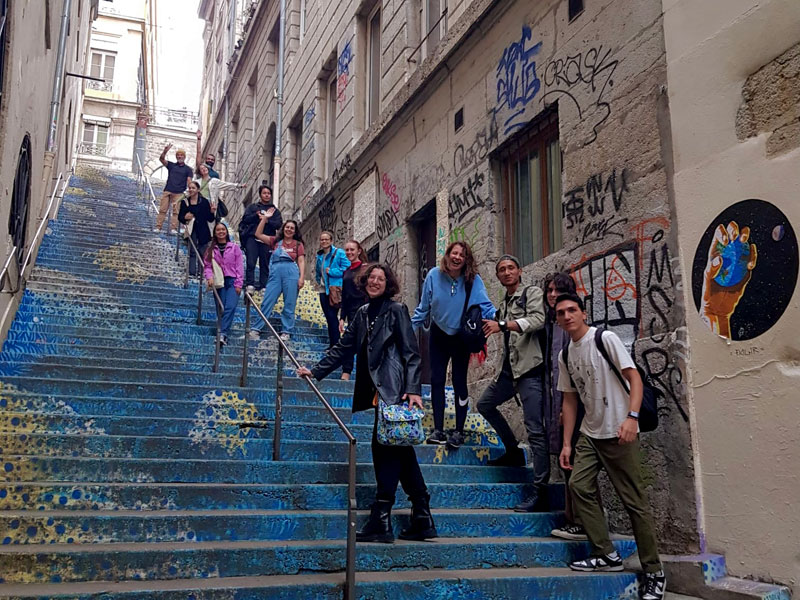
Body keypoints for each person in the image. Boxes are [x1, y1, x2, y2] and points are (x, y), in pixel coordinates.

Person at [296, 264, 436, 544]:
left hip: (394, 388)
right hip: (377, 389)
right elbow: (344, 347)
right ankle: (422, 516)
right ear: (364, 282)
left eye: (381, 278)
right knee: (399, 449)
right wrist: (317, 369)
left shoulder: (396, 311)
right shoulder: (361, 314)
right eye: (371, 277)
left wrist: (413, 389)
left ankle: (381, 518)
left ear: (388, 284)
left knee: (384, 448)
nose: (375, 281)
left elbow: (410, 351)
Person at [556, 293, 665, 600]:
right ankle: (606, 553)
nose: (567, 316)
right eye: (561, 313)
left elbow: (634, 378)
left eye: (572, 310)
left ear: (583, 313)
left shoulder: (605, 339)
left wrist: (632, 418)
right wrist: (567, 444)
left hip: (619, 430)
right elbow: (569, 399)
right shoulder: (565, 354)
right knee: (579, 486)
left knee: (634, 502)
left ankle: (654, 572)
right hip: (591, 433)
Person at [477, 255, 549, 512]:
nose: (506, 273)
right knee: (484, 404)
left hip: (529, 370)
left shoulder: (532, 293)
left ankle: (540, 490)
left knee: (535, 429)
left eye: (510, 268)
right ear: (498, 277)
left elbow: (538, 320)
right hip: (508, 372)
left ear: (519, 271)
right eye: (501, 270)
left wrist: (504, 325)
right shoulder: (503, 303)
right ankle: (513, 451)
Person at [411, 241, 495, 449]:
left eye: (462, 255)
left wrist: (500, 322)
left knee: (459, 382)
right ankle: (438, 429)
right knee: (437, 379)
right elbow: (423, 308)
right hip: (439, 333)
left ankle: (459, 431)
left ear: (467, 260)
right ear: (447, 255)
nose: (457, 257)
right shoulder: (433, 275)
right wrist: (407, 330)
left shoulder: (473, 281)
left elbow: (486, 306)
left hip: (460, 337)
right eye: (454, 253)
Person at [543, 272, 591, 541]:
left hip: (576, 406)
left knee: (576, 464)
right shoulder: (554, 324)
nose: (552, 295)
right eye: (549, 290)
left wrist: (565, 407)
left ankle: (581, 521)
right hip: (558, 402)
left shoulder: (573, 327)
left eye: (558, 290)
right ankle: (572, 518)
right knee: (566, 463)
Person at [248, 212, 306, 342]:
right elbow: (258, 234)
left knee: (289, 303)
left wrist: (301, 277)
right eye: (287, 227)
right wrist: (265, 219)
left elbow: (301, 261)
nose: (289, 229)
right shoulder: (275, 241)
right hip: (275, 273)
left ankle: (286, 331)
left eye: (292, 228)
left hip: (291, 273)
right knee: (267, 300)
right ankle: (256, 329)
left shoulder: (298, 244)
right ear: (283, 228)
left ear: (295, 231)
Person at [203, 222, 244, 347]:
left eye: (223, 229)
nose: (221, 232)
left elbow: (239, 266)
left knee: (230, 307)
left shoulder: (234, 247)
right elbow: (207, 266)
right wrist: (209, 277)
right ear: (215, 233)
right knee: (220, 308)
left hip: (232, 281)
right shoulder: (210, 249)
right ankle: (222, 333)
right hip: (219, 281)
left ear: (226, 232)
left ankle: (222, 333)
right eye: (218, 230)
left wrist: (239, 283)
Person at [239, 185, 283, 290]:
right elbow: (245, 219)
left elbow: (278, 224)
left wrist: (267, 220)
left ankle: (264, 286)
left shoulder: (275, 211)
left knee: (265, 263)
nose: (267, 195)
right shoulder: (252, 207)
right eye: (264, 193)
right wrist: (256, 216)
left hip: (267, 239)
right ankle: (250, 284)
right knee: (251, 261)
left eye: (268, 193)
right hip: (252, 237)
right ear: (260, 195)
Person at [314, 231, 350, 348]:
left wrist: (332, 272)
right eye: (322, 240)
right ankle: (333, 344)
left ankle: (335, 344)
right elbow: (319, 271)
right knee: (329, 318)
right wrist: (318, 280)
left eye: (326, 239)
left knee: (332, 316)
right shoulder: (320, 255)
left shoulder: (338, 253)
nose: (324, 241)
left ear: (331, 241)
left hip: (334, 289)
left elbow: (347, 268)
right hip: (323, 289)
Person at [339, 239, 368, 380]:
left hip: (365, 310)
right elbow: (344, 296)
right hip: (351, 312)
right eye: (347, 250)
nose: (349, 252)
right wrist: (341, 317)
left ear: (359, 251)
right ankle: (346, 371)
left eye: (352, 250)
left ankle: (364, 373)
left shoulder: (365, 269)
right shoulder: (346, 272)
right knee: (349, 341)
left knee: (364, 342)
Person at [178, 181, 216, 277]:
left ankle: (201, 272)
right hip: (192, 230)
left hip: (203, 229)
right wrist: (185, 218)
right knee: (192, 251)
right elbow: (180, 217)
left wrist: (212, 212)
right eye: (189, 188)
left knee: (203, 251)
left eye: (193, 188)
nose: (191, 190)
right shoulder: (185, 202)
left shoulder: (204, 202)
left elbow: (210, 219)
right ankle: (191, 272)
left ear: (198, 190)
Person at [155, 144, 194, 234]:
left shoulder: (188, 169)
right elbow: (161, 159)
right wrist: (165, 151)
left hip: (179, 192)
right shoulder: (171, 165)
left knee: (176, 212)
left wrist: (191, 191)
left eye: (181, 155)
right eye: (178, 155)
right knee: (162, 209)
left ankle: (173, 228)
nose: (179, 156)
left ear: (184, 157)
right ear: (176, 157)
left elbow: (189, 180)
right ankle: (158, 227)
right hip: (168, 190)